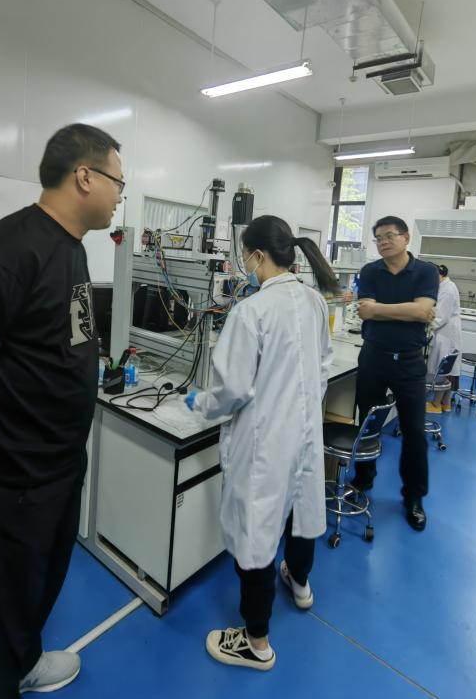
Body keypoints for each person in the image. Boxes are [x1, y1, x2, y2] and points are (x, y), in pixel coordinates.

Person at [0, 123, 124, 698]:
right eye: (118, 182)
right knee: (1, 598)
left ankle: (25, 660)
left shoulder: (72, 249)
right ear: (84, 176)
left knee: (37, 581)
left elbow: (70, 338)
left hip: (56, 462)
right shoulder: (6, 250)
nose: (120, 195)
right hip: (7, 469)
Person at [185, 215, 339, 671]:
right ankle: (300, 584)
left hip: (265, 441)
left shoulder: (250, 312)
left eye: (244, 256)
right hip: (304, 433)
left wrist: (200, 402)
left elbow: (231, 391)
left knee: (255, 536)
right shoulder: (313, 301)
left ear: (257, 255)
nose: (243, 265)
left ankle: (256, 643)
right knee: (301, 511)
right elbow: (323, 365)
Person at [351, 216, 438, 531]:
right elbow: (368, 311)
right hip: (373, 358)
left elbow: (423, 311)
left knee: (414, 432)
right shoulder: (370, 271)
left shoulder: (426, 271)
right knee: (367, 423)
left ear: (406, 238)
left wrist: (378, 310)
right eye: (378, 238)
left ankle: (413, 497)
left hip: (410, 363)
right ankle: (363, 477)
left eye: (389, 235)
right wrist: (410, 310)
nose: (384, 242)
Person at [427, 264, 462, 413]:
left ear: (438, 275)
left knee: (442, 368)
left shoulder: (447, 290)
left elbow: (440, 317)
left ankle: (436, 404)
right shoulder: (446, 286)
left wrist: (426, 326)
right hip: (447, 332)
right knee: (447, 368)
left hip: (446, 333)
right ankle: (446, 403)